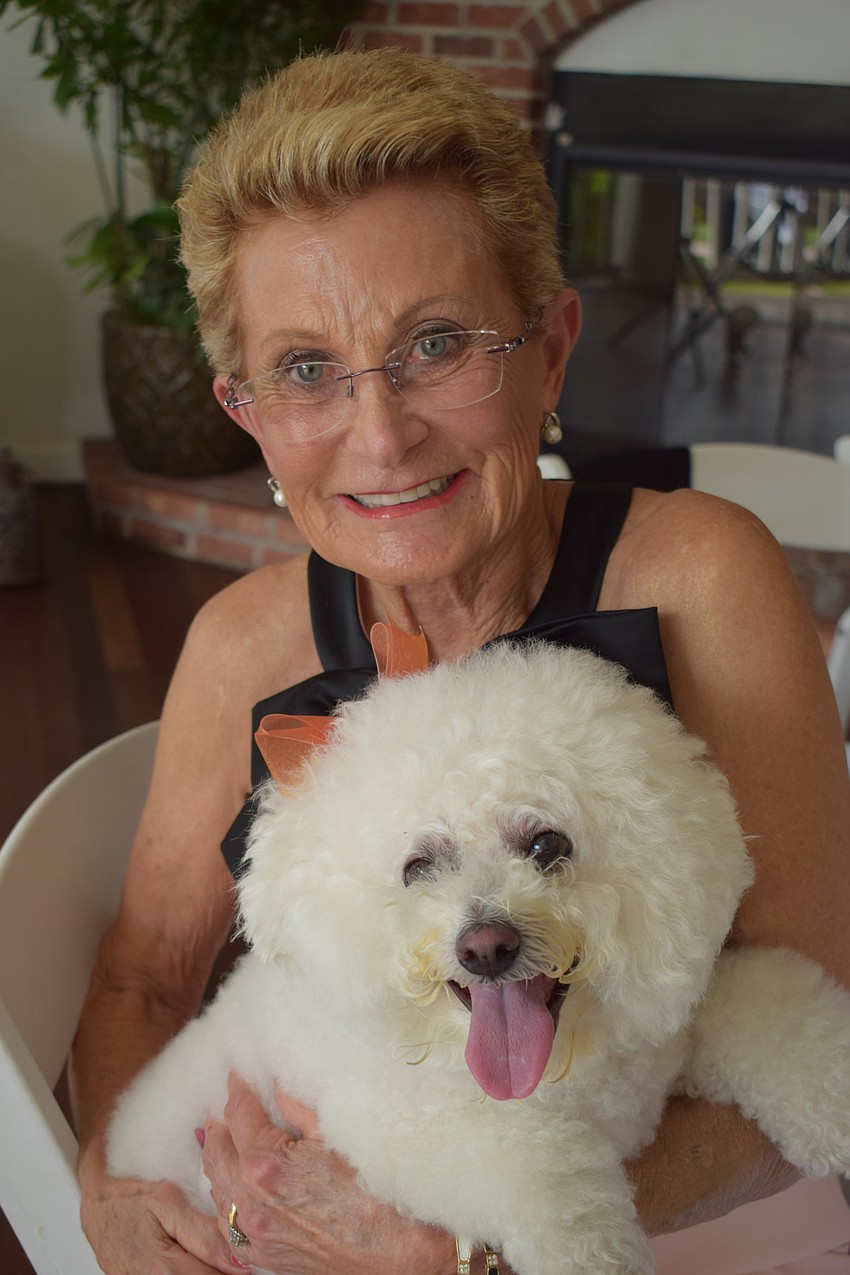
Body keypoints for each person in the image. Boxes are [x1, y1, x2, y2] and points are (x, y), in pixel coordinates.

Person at [68, 45, 850, 1275]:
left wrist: (472, 1251)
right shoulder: (242, 646)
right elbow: (142, 988)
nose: (379, 436)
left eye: (438, 345)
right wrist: (110, 1191)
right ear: (249, 412)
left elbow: (817, 1000)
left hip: (706, 1226)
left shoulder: (701, 578)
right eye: (308, 371)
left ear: (548, 352)